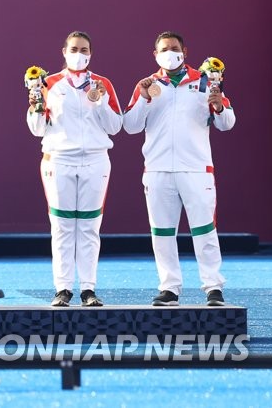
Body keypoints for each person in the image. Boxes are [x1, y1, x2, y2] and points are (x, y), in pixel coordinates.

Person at [123, 31, 234, 307]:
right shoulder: (147, 85)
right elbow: (130, 125)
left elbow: (227, 122)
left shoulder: (205, 81)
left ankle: (213, 287)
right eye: (164, 48)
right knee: (161, 232)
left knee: (204, 230)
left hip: (196, 169)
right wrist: (145, 97)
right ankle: (169, 287)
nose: (169, 52)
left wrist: (219, 105)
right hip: (158, 169)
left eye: (174, 47)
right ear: (155, 53)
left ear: (184, 50)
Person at [26, 31, 122, 307]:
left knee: (90, 227)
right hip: (59, 160)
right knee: (62, 226)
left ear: (91, 53)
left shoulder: (103, 84)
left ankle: (88, 289)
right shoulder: (48, 84)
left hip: (95, 160)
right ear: (64, 51)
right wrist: (35, 108)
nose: (79, 54)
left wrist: (100, 101)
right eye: (74, 49)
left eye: (84, 49)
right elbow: (37, 129)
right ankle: (63, 289)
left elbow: (115, 126)